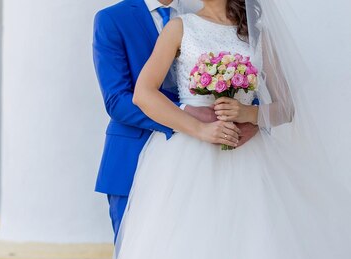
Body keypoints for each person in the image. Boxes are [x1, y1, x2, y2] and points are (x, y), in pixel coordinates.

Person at [77, 0, 351, 259]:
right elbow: (141, 94)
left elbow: (287, 106)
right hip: (189, 163)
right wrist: (202, 130)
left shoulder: (259, 33)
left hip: (252, 165)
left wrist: (249, 115)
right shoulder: (180, 27)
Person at [92, 0, 258, 240]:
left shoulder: (203, 12)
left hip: (214, 157)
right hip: (133, 156)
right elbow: (117, 100)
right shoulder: (112, 19)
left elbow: (248, 77)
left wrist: (251, 119)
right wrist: (186, 113)